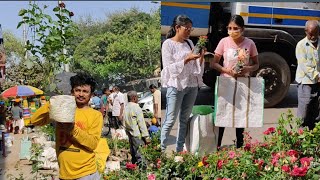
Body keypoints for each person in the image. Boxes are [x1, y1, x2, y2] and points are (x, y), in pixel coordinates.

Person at [31, 73, 103, 180]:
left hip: (86, 173)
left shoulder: (96, 115)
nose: (81, 94)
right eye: (77, 90)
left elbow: (92, 144)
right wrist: (51, 104)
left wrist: (72, 129)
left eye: (85, 91)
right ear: (72, 92)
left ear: (91, 94)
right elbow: (35, 120)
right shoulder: (61, 111)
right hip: (64, 173)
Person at [211, 15, 259, 148]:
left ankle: (240, 147)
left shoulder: (250, 43)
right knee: (223, 116)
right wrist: (227, 71)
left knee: (240, 117)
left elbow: (256, 64)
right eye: (230, 28)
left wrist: (247, 69)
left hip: (243, 84)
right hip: (226, 83)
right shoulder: (223, 42)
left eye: (235, 28)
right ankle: (217, 147)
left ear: (242, 29)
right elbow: (214, 63)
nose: (232, 31)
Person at [161, 15, 205, 152]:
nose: (189, 32)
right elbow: (168, 68)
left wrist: (201, 58)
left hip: (191, 85)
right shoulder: (168, 44)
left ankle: (179, 151)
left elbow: (196, 67)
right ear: (177, 28)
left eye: (191, 29)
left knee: (184, 120)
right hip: (176, 86)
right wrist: (186, 59)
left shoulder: (190, 43)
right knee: (170, 120)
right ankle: (160, 150)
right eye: (187, 28)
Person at [296, 20, 320, 130]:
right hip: (306, 82)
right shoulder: (301, 45)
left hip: (318, 82)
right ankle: (299, 138)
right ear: (305, 31)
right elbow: (304, 65)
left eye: (315, 33)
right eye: (310, 33)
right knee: (303, 113)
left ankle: (313, 138)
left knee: (316, 113)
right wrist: (317, 76)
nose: (313, 36)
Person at [123, 91, 150, 167]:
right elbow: (142, 124)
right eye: (137, 97)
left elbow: (124, 122)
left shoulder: (126, 107)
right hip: (137, 134)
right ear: (134, 98)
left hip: (130, 134)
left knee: (133, 154)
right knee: (140, 154)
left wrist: (127, 132)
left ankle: (134, 169)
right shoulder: (136, 107)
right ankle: (143, 171)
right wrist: (147, 138)